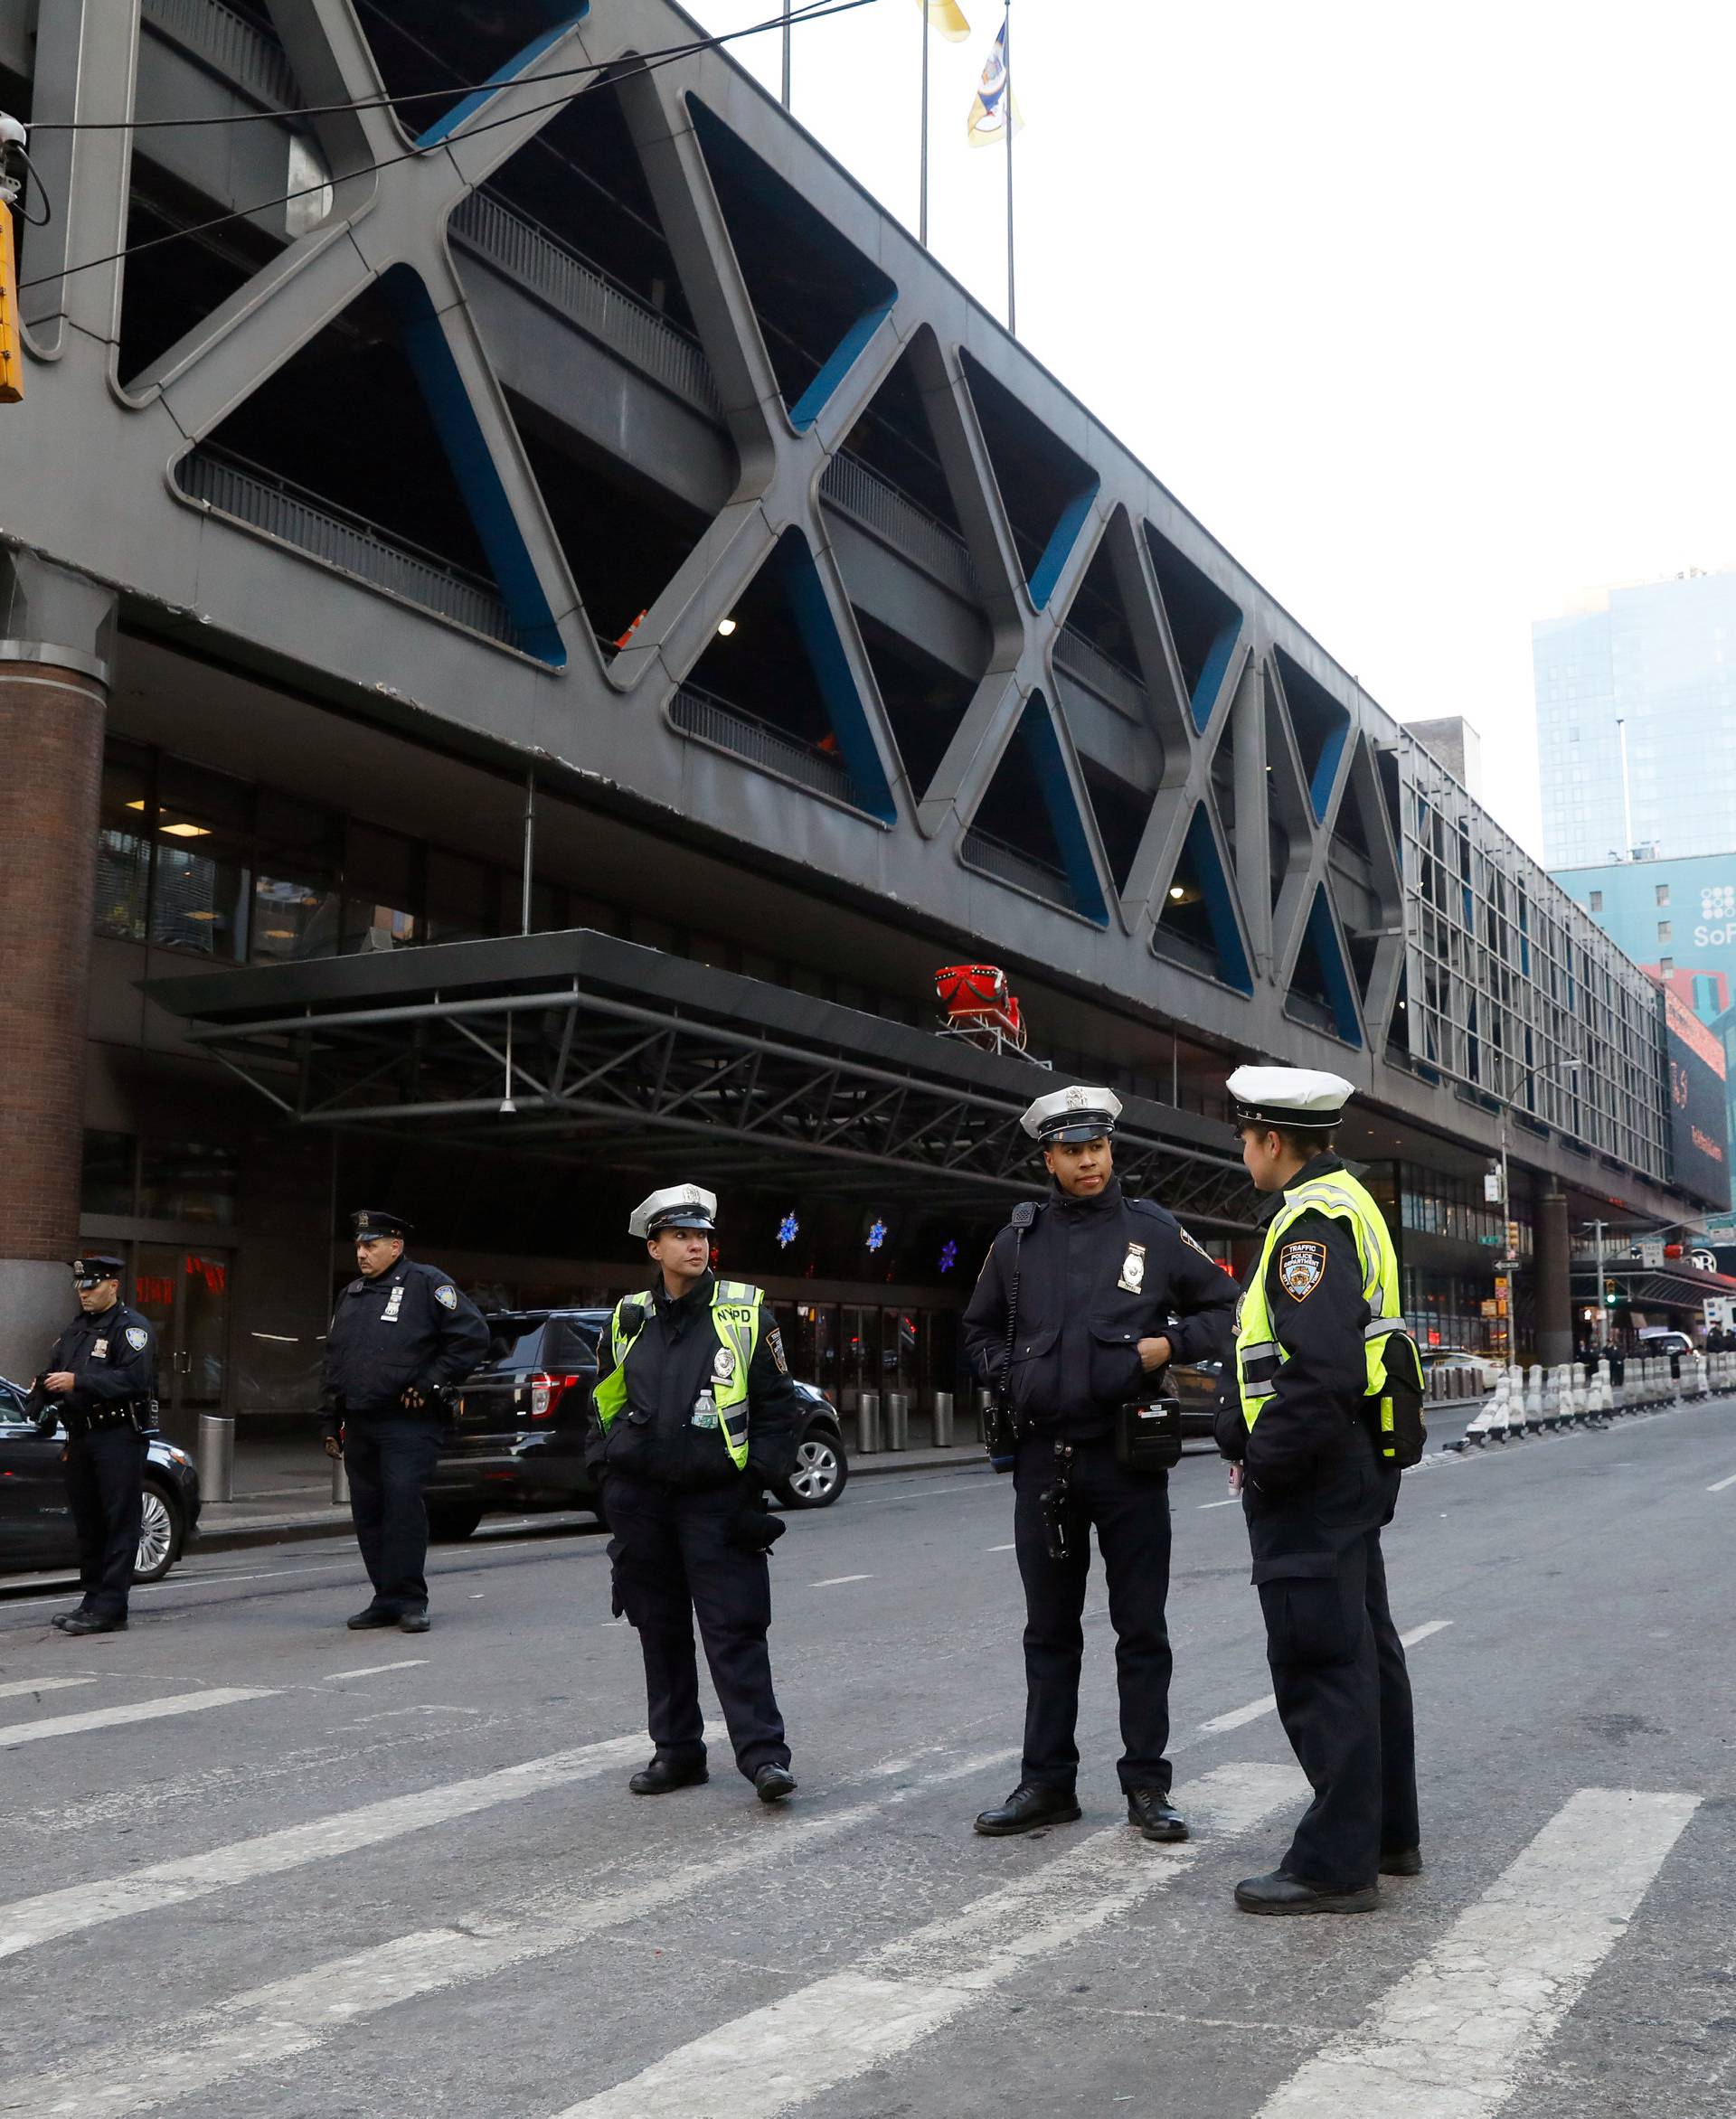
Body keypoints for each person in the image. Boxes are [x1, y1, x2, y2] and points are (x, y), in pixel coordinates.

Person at [961, 1086, 1239, 1841]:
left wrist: (1169, 1346)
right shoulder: (1017, 1240)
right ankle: (1046, 1785)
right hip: (1042, 1464)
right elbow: (976, 1329)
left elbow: (1227, 1308)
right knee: (1048, 1633)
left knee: (1140, 1629)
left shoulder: (1149, 1229)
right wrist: (1009, 1372)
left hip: (1128, 1462)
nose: (1088, 1162)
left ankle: (1148, 1787)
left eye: (1098, 1148)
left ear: (1110, 1150)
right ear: (1047, 1158)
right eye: (1073, 1151)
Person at [1214, 1066, 1422, 1915]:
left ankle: (1335, 1864)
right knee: (1366, 1651)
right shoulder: (1352, 1205)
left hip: (1312, 1476)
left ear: (1270, 1140)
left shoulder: (1309, 1227)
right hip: (1349, 1468)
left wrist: (1263, 1461)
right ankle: (1387, 1835)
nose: (1243, 1151)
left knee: (1321, 1661)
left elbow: (1321, 1371)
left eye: (1245, 1137)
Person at [588, 1185, 801, 1804]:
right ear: (654, 1247)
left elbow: (777, 1405)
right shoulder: (628, 1317)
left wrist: (753, 1479)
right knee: (659, 1630)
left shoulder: (745, 1310)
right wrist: (606, 1474)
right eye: (681, 1236)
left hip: (717, 1500)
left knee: (734, 1630)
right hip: (643, 1501)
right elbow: (603, 1404)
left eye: (703, 1236)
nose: (696, 1246)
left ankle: (764, 1759)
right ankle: (677, 1754)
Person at [321, 1210, 487, 1634]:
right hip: (360, 1421)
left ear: (396, 1246)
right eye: (359, 1245)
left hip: (408, 1422)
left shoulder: (427, 1283)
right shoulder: (353, 1293)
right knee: (370, 1512)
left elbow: (471, 1336)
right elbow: (336, 1361)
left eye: (370, 1245)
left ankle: (411, 1599)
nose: (362, 1253)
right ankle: (385, 1597)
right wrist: (329, 1420)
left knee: (402, 1506)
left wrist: (432, 1381)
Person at [35, 1256, 157, 1636]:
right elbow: (56, 1371)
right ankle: (92, 1597)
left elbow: (134, 1380)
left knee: (118, 1520)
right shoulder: (75, 1330)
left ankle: (111, 1607)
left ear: (113, 1286)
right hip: (82, 1435)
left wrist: (79, 1382)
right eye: (80, 1287)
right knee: (88, 1521)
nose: (84, 1294)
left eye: (92, 1286)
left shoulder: (131, 1328)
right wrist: (40, 1395)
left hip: (117, 1434)